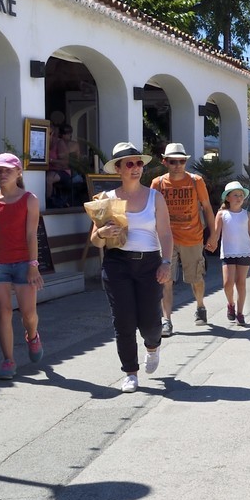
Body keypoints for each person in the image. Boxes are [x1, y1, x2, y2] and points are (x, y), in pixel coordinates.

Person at [92, 142, 175, 394]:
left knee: (150, 322)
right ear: (118, 169)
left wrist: (166, 262)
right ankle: (130, 372)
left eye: (139, 163)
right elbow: (94, 240)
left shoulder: (155, 197)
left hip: (149, 262)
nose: (136, 168)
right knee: (124, 321)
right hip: (117, 263)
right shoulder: (106, 199)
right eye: (130, 163)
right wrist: (103, 232)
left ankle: (153, 345)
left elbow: (166, 234)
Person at [0, 153, 44, 379]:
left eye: (7, 170)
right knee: (3, 311)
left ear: (18, 172)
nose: (2, 174)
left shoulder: (29, 199)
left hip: (24, 262)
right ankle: (8, 360)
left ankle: (32, 336)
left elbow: (32, 234)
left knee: (28, 314)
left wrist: (34, 264)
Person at [152, 142, 215, 335]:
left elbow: (207, 207)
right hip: (166, 240)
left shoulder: (196, 181)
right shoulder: (158, 183)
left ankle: (200, 306)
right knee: (166, 280)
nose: (177, 165)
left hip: (192, 237)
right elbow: (151, 212)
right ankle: (166, 320)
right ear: (165, 162)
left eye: (181, 161)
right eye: (173, 161)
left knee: (195, 277)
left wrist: (213, 235)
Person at [211, 181, 250, 327]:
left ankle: (240, 313)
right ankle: (230, 304)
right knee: (228, 284)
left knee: (241, 283)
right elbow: (216, 233)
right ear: (227, 198)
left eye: (241, 195)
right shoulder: (222, 214)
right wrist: (210, 243)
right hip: (228, 252)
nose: (239, 198)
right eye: (235, 195)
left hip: (245, 252)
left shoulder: (247, 215)